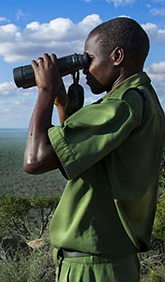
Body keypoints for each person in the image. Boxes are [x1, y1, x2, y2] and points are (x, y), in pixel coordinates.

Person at [23, 17, 165, 281]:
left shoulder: (121, 105)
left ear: (117, 56)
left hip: (94, 269)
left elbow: (35, 159)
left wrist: (44, 90)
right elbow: (81, 159)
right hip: (110, 264)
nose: (85, 69)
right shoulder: (143, 99)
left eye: (89, 59)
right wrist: (62, 105)